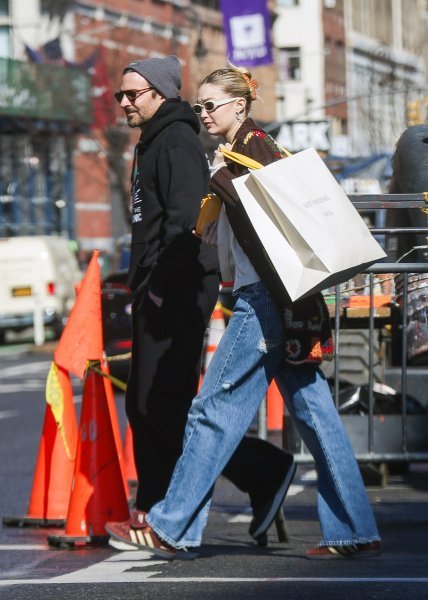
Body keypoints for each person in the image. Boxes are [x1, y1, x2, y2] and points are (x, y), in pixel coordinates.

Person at [107, 64, 381, 560]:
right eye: (200, 106)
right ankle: (353, 530)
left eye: (211, 106)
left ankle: (171, 525)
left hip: (266, 303)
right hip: (287, 302)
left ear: (240, 105)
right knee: (315, 414)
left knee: (212, 410)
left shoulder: (249, 152)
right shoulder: (244, 152)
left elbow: (265, 226)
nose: (204, 114)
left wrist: (223, 186)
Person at [109, 56, 296, 548]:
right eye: (120, 95)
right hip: (161, 287)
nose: (124, 102)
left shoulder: (175, 142)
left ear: (162, 94)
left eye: (133, 94)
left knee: (158, 404)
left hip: (179, 289)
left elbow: (191, 226)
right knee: (153, 404)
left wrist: (156, 285)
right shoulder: (152, 142)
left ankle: (158, 510)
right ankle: (259, 471)